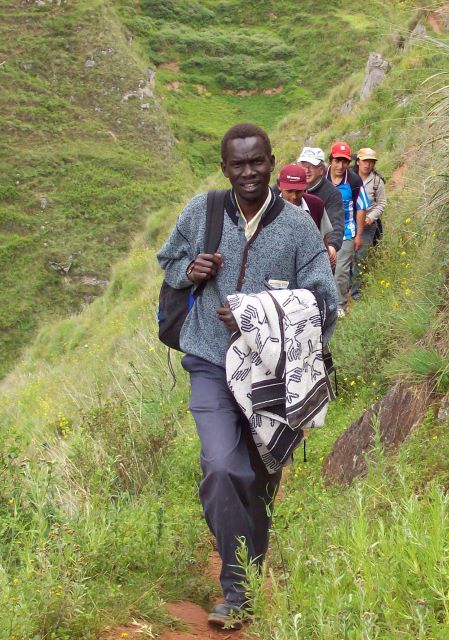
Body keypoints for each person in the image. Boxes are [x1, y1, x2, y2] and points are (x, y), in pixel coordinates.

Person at [156, 123, 337, 630]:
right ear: (224, 168)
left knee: (259, 484)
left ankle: (249, 578)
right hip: (211, 364)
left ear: (272, 161)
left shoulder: (299, 228)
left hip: (272, 378)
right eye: (238, 164)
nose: (249, 173)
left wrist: (259, 316)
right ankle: (236, 589)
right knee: (221, 468)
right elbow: (167, 260)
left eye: (257, 162)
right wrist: (189, 270)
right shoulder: (202, 212)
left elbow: (325, 302)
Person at [326, 141, 369, 316]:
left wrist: (359, 235)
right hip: (323, 233)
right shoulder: (321, 177)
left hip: (346, 232)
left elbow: (361, 207)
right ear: (330, 160)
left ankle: (340, 306)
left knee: (341, 270)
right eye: (337, 160)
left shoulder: (353, 180)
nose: (340, 165)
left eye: (344, 161)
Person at [351, 147, 387, 300]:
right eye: (365, 161)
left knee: (360, 256)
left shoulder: (377, 181)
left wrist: (371, 217)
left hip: (367, 226)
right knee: (345, 256)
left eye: (371, 162)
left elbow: (382, 203)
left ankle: (356, 293)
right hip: (348, 223)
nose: (368, 165)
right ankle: (344, 287)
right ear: (358, 162)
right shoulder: (349, 178)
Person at [298, 147, 343, 271]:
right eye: (303, 165)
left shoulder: (332, 193)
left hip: (319, 249)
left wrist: (332, 246)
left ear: (321, 169)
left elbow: (336, 222)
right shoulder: (289, 187)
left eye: (311, 166)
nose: (306, 170)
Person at [277, 163, 334, 256]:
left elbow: (323, 237)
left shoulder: (316, 205)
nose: (294, 196)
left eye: (299, 191)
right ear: (279, 186)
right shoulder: (270, 209)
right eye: (289, 191)